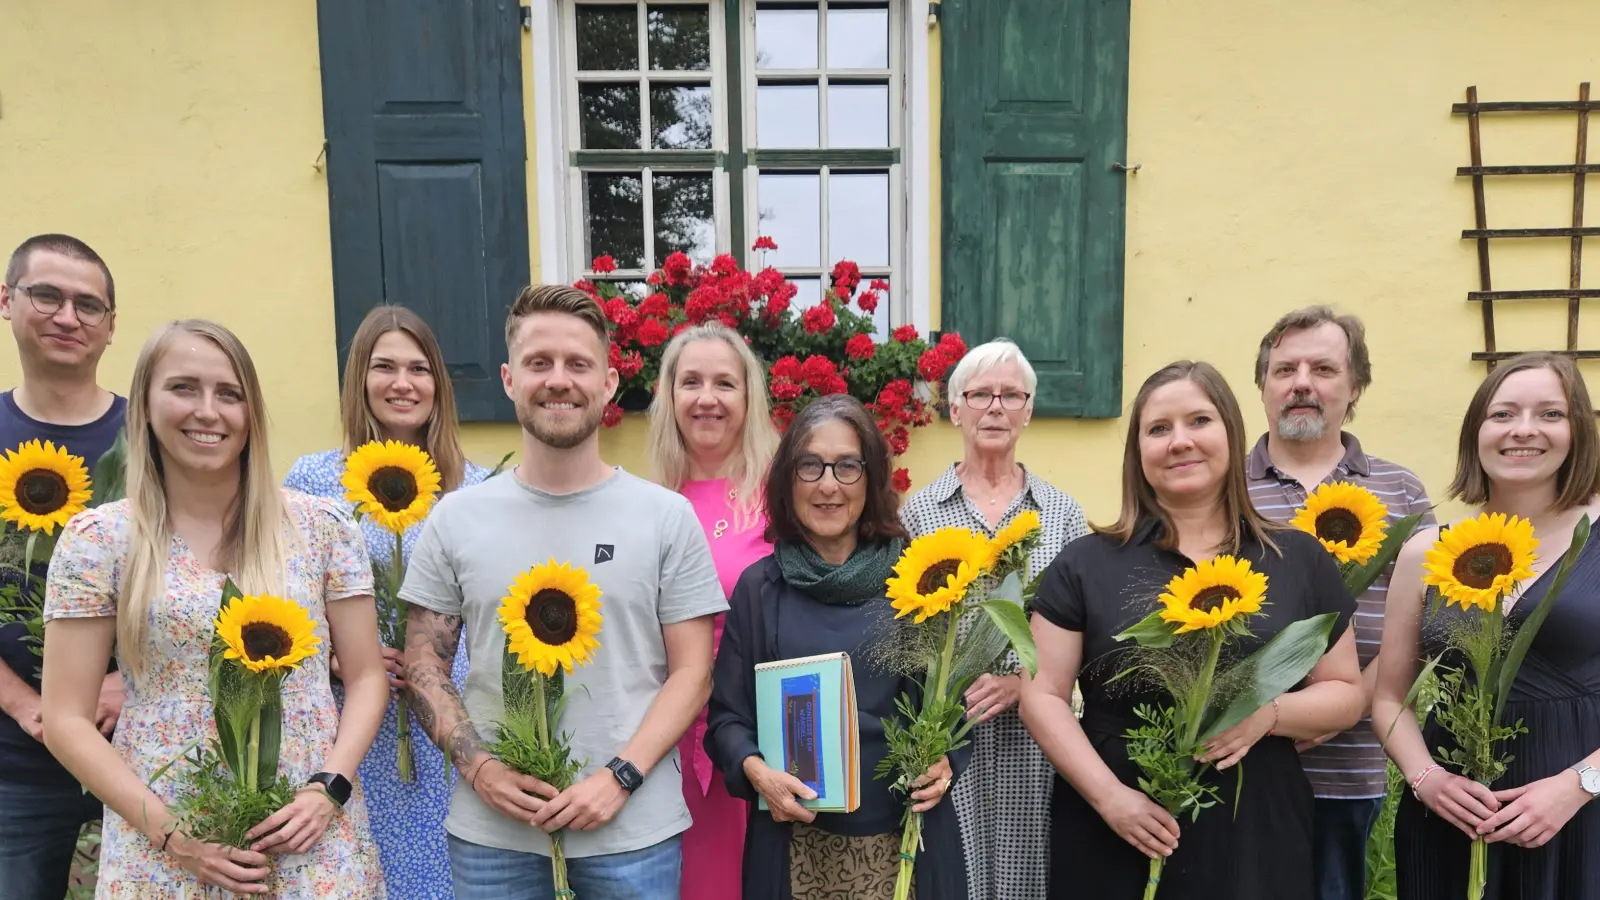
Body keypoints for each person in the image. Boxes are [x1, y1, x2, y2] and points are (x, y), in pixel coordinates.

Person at [39, 319, 389, 897]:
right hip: (166, 835)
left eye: (229, 394)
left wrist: (330, 787)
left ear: (251, 413)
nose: (208, 411)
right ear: (145, 405)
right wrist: (176, 837)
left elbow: (367, 673)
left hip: (306, 827)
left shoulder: (321, 528)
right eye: (183, 388)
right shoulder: (100, 541)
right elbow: (66, 719)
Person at [401, 284, 725, 900]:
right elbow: (423, 662)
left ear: (608, 382)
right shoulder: (455, 518)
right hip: (494, 838)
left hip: (632, 834)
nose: (559, 380)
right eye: (538, 363)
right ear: (507, 378)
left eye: (578, 364)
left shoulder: (664, 517)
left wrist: (619, 777)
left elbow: (693, 673)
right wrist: (481, 769)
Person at [1022, 360, 1365, 900]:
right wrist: (1110, 798)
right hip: (1114, 818)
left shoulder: (1297, 558)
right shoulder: (1085, 563)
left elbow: (1346, 693)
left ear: (1231, 431)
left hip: (1254, 818)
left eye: (1199, 421)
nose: (1179, 441)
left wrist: (1267, 715)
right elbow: (1041, 695)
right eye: (1158, 429)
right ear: (1137, 452)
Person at [705, 393, 969, 900]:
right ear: (788, 478)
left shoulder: (918, 583)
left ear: (870, 480)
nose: (828, 484)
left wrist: (947, 764)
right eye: (811, 466)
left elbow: (953, 707)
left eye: (847, 466)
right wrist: (756, 771)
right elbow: (727, 720)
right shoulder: (760, 590)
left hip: (905, 845)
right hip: (793, 844)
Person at [1372, 352, 1600, 899]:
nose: (1524, 430)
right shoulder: (1427, 551)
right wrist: (1427, 781)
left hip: (1583, 815)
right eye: (1503, 414)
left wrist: (1578, 785)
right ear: (1476, 431)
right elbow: (1387, 698)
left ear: (1579, 432)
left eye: (1550, 414)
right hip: (1450, 819)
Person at [283, 305, 491, 896]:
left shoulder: (477, 490)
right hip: (355, 724)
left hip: (455, 722)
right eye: (385, 367)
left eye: (419, 369)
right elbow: (280, 598)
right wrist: (336, 656)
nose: (403, 383)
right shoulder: (313, 483)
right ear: (359, 380)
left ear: (439, 385)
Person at [1246, 306, 1435, 900]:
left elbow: (1428, 621)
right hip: (1242, 766)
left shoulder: (1400, 491)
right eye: (1284, 369)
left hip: (1352, 769)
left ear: (1354, 388)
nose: (1302, 382)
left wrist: (1340, 707)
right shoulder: (1222, 487)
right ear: (1264, 386)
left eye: (1324, 368)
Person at [898, 338, 1086, 900]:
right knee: (955, 879)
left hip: (1038, 743)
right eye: (980, 394)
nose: (996, 407)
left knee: (1035, 879)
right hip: (950, 738)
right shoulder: (918, 513)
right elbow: (902, 630)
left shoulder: (1062, 513)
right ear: (955, 410)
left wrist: (1021, 683)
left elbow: (1088, 632)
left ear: (1029, 410)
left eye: (1011, 394)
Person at [0, 234, 127, 899]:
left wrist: (126, 680)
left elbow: (207, 573)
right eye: (46, 295)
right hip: (15, 762)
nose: (68, 317)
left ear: (110, 326)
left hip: (142, 741)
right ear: (7, 302)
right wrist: (30, 707)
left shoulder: (151, 443)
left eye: (89, 305)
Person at [645, 321, 779, 898]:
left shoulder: (783, 497)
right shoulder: (645, 503)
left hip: (762, 734)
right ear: (668, 396)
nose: (707, 398)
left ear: (749, 398)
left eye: (725, 383)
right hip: (667, 738)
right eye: (691, 381)